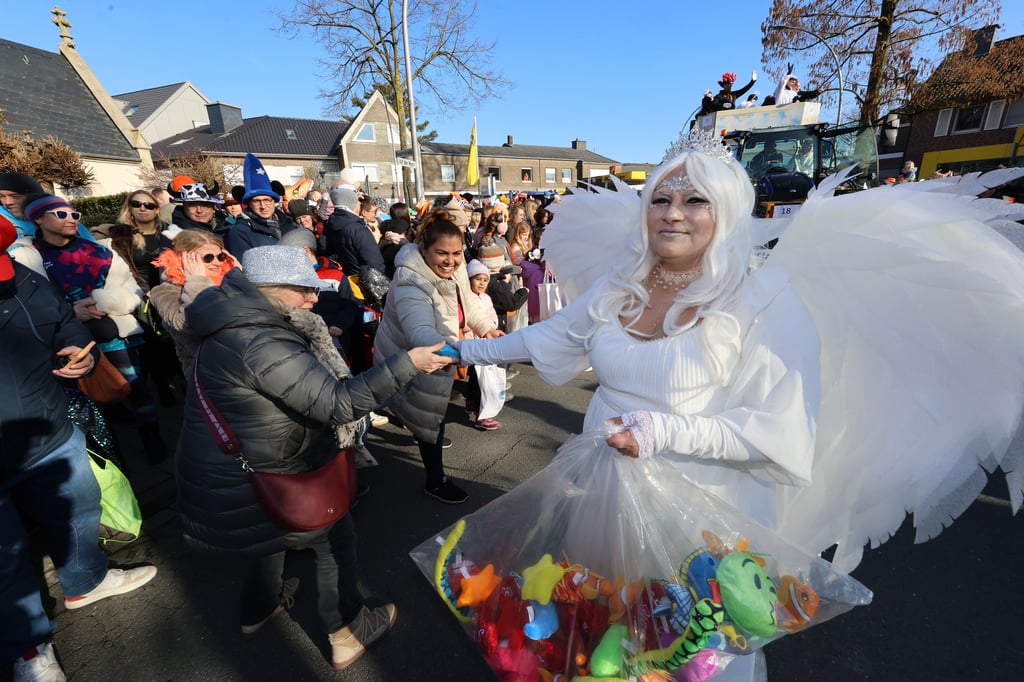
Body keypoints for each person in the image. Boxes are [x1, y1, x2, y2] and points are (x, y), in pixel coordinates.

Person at [449, 129, 1024, 679]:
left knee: (694, 644)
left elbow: (778, 430)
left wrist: (664, 432)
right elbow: (546, 338)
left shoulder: (762, 299)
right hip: (603, 488)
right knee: (606, 623)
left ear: (725, 212)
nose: (673, 212)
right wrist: (463, 348)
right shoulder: (620, 286)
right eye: (661, 198)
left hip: (701, 507)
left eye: (695, 199)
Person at [175, 244, 455, 670]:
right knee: (333, 540)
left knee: (267, 538)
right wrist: (407, 363)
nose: (314, 297)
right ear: (269, 288)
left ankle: (259, 609)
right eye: (304, 289)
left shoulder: (231, 318)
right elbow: (337, 403)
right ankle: (348, 630)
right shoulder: (260, 339)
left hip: (236, 467)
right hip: (269, 467)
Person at [1, 218, 157, 682]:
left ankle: (85, 581)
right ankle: (28, 648)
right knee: (6, 558)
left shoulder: (24, 278)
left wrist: (79, 352)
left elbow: (63, 324)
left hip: (50, 428)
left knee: (79, 510)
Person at [373, 210, 502, 503]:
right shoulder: (410, 281)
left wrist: (486, 329)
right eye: (441, 253)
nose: (451, 260)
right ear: (423, 249)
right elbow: (422, 335)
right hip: (412, 355)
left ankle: (426, 433)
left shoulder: (455, 267)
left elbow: (468, 302)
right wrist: (469, 351)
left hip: (441, 353)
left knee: (430, 413)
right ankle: (435, 480)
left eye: (457, 253)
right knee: (427, 412)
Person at [148, 229, 238, 375]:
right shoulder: (164, 291)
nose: (216, 263)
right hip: (209, 373)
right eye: (208, 258)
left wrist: (239, 278)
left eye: (220, 256)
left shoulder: (228, 282)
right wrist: (197, 282)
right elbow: (187, 326)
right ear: (184, 259)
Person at [224, 154, 286, 259]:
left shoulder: (288, 224)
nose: (263, 206)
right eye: (257, 201)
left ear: (274, 201)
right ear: (248, 203)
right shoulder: (239, 232)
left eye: (267, 200)